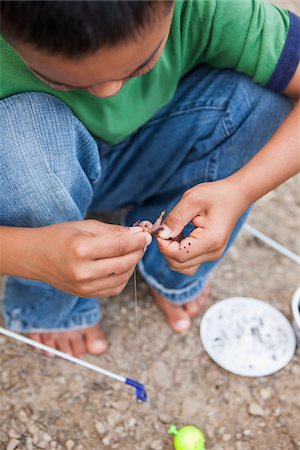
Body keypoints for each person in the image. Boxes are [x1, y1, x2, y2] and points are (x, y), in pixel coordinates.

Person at [0, 0, 299, 357]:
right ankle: (50, 302)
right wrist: (30, 254)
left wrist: (241, 189)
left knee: (263, 94)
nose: (109, 92)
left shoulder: (207, 8)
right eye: (58, 79)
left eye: (139, 65)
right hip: (31, 172)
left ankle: (170, 267)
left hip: (145, 148)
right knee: (20, 137)